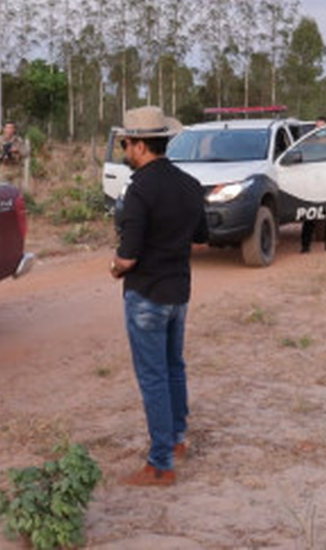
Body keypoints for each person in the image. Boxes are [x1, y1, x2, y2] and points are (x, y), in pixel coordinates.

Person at [110, 106, 208, 487]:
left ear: (138, 146)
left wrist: (115, 267)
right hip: (178, 291)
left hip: (147, 294)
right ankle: (177, 439)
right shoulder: (188, 183)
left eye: (126, 144)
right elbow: (201, 235)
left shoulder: (139, 190)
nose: (124, 150)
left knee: (152, 377)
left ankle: (161, 463)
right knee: (173, 368)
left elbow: (128, 256)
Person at [300, 116, 326, 254]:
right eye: (317, 127)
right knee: (310, 215)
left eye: (322, 127)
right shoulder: (308, 143)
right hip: (314, 183)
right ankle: (305, 246)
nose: (319, 130)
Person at [0, 121, 30, 186]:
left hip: (16, 170)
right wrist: (2, 156)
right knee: (2, 191)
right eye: (7, 128)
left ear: (14, 130)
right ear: (4, 129)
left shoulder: (18, 141)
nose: (9, 130)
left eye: (11, 128)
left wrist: (17, 151)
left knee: (15, 192)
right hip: (3, 170)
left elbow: (26, 153)